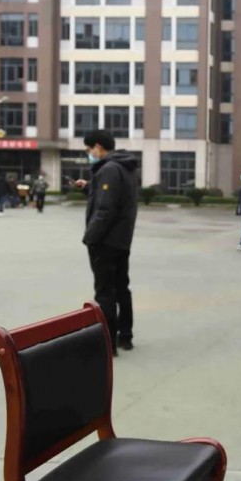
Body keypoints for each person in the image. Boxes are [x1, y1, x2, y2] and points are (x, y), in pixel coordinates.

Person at [74, 130, 139, 356]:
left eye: (89, 149)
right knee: (121, 288)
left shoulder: (109, 169)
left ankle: (108, 344)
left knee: (105, 292)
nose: (89, 154)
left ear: (98, 147)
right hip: (122, 239)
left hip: (105, 241)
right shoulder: (125, 167)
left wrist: (90, 237)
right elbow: (114, 198)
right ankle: (125, 336)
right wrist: (89, 187)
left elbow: (105, 208)